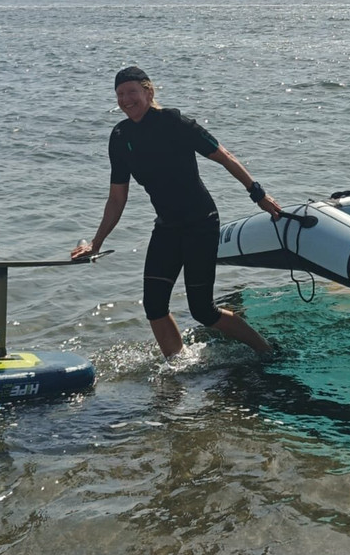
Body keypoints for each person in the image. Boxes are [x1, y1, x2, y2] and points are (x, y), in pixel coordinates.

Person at [71, 66, 282, 358]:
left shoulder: (173, 121)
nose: (125, 99)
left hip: (201, 224)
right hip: (167, 227)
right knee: (154, 307)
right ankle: (178, 366)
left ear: (148, 91)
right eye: (119, 94)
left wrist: (259, 194)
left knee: (203, 311)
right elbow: (117, 198)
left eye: (131, 91)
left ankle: (266, 351)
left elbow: (224, 156)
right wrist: (97, 242)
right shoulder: (120, 136)